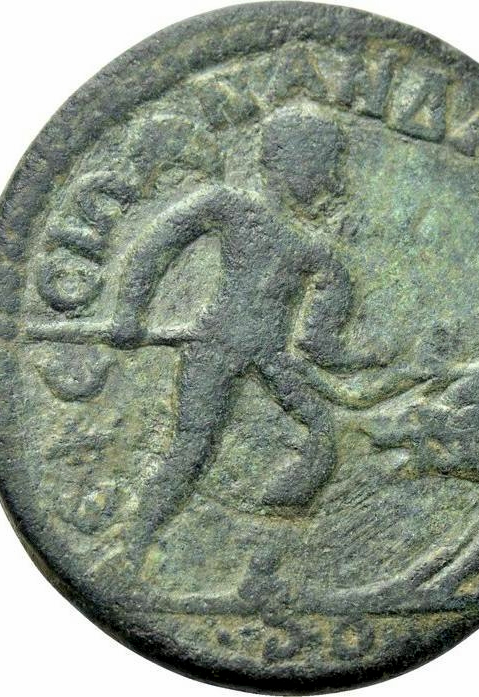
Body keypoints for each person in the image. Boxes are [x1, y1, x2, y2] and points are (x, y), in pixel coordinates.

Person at [111, 106, 384, 560]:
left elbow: (317, 344)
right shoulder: (229, 205)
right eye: (325, 165)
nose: (333, 179)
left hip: (271, 356)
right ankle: (134, 543)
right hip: (214, 346)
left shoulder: (318, 254)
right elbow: (157, 244)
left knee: (321, 430)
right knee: (191, 450)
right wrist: (129, 313)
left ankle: (283, 517)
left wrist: (369, 358)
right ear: (290, 163)